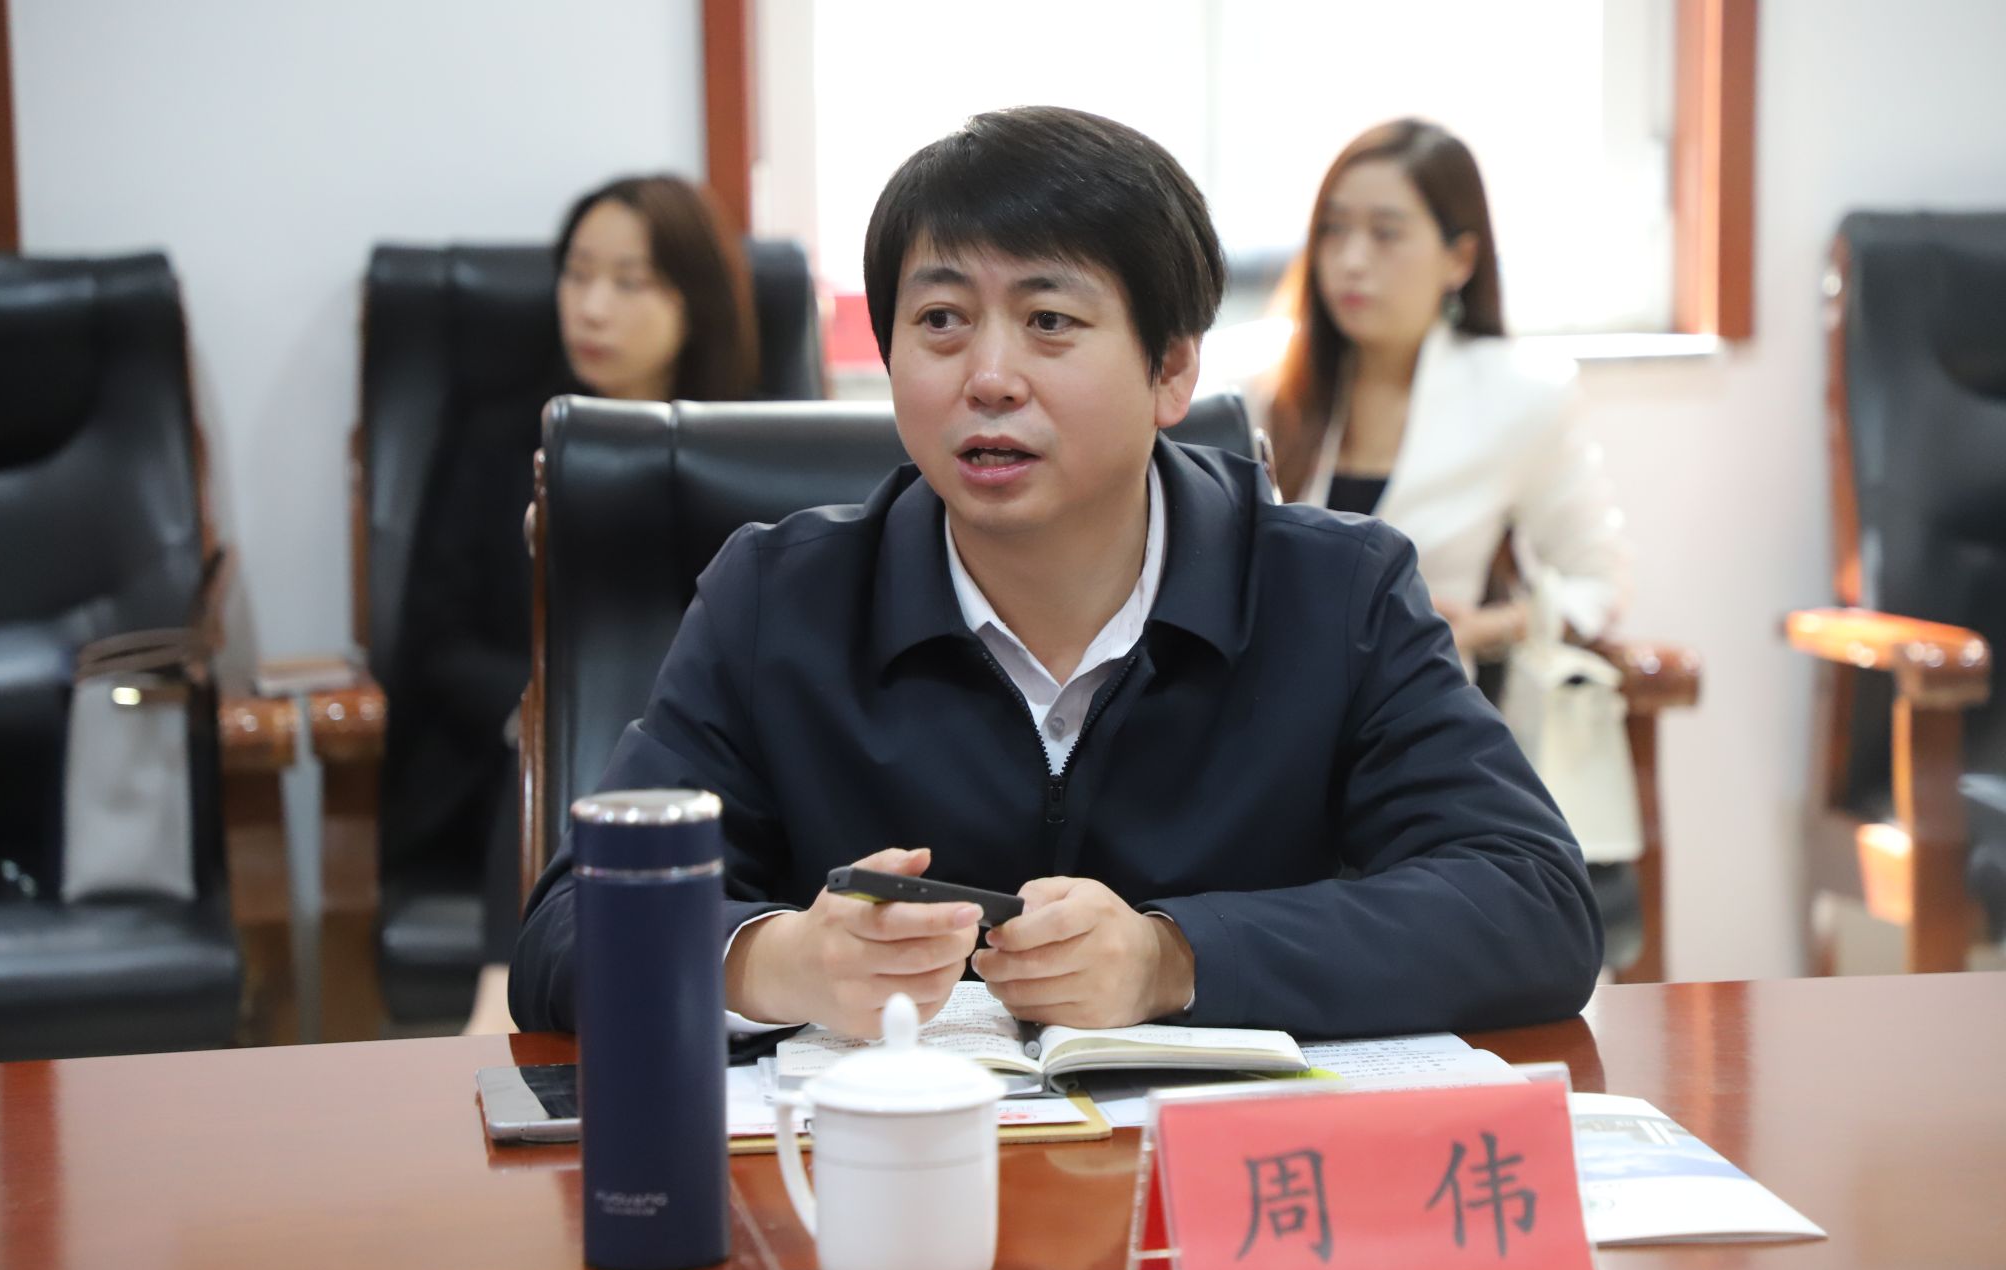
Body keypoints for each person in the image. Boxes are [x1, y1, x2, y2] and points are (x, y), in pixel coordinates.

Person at [509, 107, 1601, 1041]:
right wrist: (772, 962)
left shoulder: (1334, 594)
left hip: (1202, 1196)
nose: (988, 377)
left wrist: (1173, 959)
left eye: (1049, 322)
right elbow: (565, 928)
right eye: (940, 321)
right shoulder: (776, 599)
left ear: (1172, 367)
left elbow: (1533, 901)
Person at [1209, 119, 1640, 965]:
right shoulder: (1254, 382)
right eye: (1333, 230)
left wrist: (1485, 626)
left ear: (1459, 257)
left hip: (1405, 732)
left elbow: (1600, 582)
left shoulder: (1523, 395)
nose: (1350, 261)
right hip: (1255, 733)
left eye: (1386, 233)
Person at [395, 175, 757, 1007]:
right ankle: (502, 996)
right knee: (561, 728)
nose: (592, 307)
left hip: (712, 756)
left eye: (629, 282)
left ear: (695, 300)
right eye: (578, 274)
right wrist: (539, 698)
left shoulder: (754, 449)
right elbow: (435, 640)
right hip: (506, 761)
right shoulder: (502, 437)